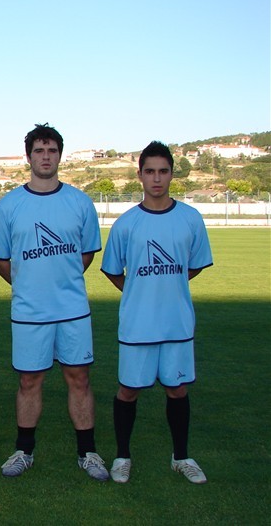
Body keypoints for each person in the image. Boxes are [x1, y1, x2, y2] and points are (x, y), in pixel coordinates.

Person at [0, 123, 109, 481]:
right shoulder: (10, 204)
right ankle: (24, 451)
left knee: (79, 378)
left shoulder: (79, 202)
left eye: (51, 150)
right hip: (29, 312)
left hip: (72, 310)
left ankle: (88, 453)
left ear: (60, 155)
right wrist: (27, 282)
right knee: (29, 381)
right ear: (28, 157)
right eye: (39, 151)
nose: (45, 157)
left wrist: (62, 281)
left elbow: (86, 255)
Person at [101, 141, 213, 484]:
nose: (157, 178)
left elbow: (192, 267)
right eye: (150, 171)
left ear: (172, 174)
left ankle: (181, 457)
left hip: (177, 323)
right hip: (138, 324)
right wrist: (139, 292)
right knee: (128, 390)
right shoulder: (126, 223)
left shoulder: (190, 218)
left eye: (163, 171)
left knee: (177, 390)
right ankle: (122, 457)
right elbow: (112, 269)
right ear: (140, 175)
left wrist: (168, 285)